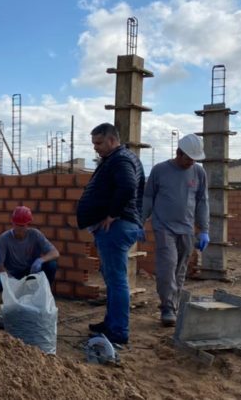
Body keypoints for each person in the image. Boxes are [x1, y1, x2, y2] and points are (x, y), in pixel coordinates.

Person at [76, 123, 145, 345]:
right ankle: (111, 323)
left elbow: (127, 186)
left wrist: (113, 214)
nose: (95, 148)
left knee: (116, 280)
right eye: (93, 143)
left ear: (112, 140)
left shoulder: (121, 159)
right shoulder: (118, 159)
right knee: (113, 278)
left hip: (116, 227)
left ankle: (117, 331)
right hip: (118, 226)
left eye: (98, 143)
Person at [142, 133, 209, 327]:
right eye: (188, 158)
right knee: (167, 266)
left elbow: (202, 201)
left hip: (186, 228)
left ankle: (174, 303)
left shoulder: (198, 172)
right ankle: (167, 307)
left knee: (180, 270)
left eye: (195, 159)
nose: (191, 162)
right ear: (178, 153)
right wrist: (140, 221)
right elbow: (148, 198)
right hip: (164, 227)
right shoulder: (160, 170)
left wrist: (203, 229)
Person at [0, 205, 60, 291]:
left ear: (28, 224)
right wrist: (11, 279)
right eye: (17, 225)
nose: (19, 228)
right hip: (13, 274)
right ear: (12, 223)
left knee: (51, 265)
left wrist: (40, 260)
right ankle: (15, 293)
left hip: (31, 273)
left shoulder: (35, 234)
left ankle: (43, 292)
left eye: (22, 225)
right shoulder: (4, 239)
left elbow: (55, 253)